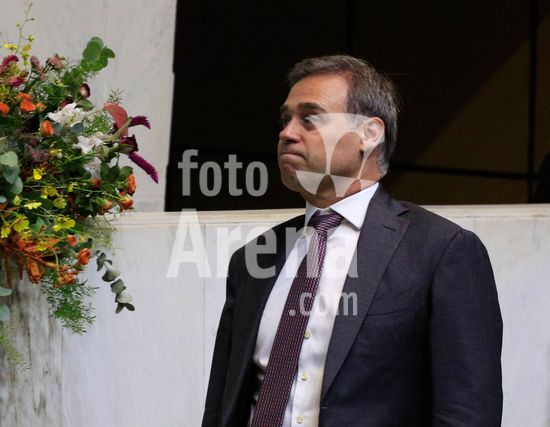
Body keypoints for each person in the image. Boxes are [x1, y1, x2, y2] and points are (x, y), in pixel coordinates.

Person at [202, 55, 503, 427]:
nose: (287, 133)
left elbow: (468, 414)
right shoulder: (253, 259)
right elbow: (221, 408)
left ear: (369, 134)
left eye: (310, 118)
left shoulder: (441, 251)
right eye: (285, 119)